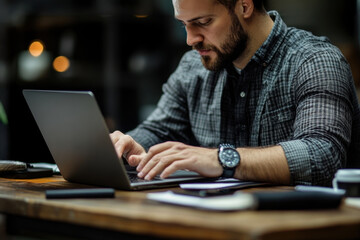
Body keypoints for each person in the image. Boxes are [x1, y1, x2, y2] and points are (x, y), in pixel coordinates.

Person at [110, 0, 360, 186]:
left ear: (244, 6)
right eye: (184, 24)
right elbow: (158, 131)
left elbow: (321, 155)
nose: (190, 39)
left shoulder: (315, 60)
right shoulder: (191, 67)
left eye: (203, 22)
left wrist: (221, 160)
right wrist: (130, 146)